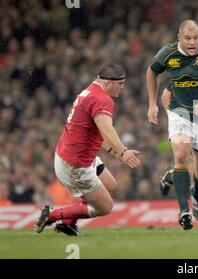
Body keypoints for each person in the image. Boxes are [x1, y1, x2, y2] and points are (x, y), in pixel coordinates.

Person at [34, 64, 141, 236]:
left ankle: (68, 223)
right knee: (105, 207)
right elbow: (107, 129)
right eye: (120, 83)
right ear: (107, 83)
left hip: (76, 155)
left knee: (111, 187)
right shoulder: (103, 99)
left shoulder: (90, 91)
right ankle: (54, 215)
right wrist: (122, 151)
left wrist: (112, 151)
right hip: (75, 165)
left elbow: (93, 131)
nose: (123, 87)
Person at [146, 20, 198, 230]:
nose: (192, 42)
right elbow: (152, 72)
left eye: (196, 38)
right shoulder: (167, 54)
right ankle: (183, 211)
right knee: (180, 155)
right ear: (179, 37)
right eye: (187, 38)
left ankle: (196, 195)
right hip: (180, 113)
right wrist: (152, 104)